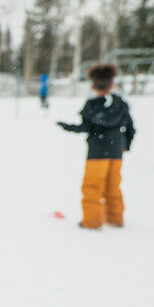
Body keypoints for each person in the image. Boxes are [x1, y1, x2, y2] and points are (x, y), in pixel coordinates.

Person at [58, 64, 135, 230]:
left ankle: (92, 221)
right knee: (113, 185)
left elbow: (85, 127)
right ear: (112, 84)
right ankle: (115, 218)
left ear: (93, 86)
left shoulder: (92, 105)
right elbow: (130, 126)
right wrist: (126, 144)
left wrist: (68, 127)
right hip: (116, 151)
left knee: (92, 186)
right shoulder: (120, 103)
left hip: (97, 151)